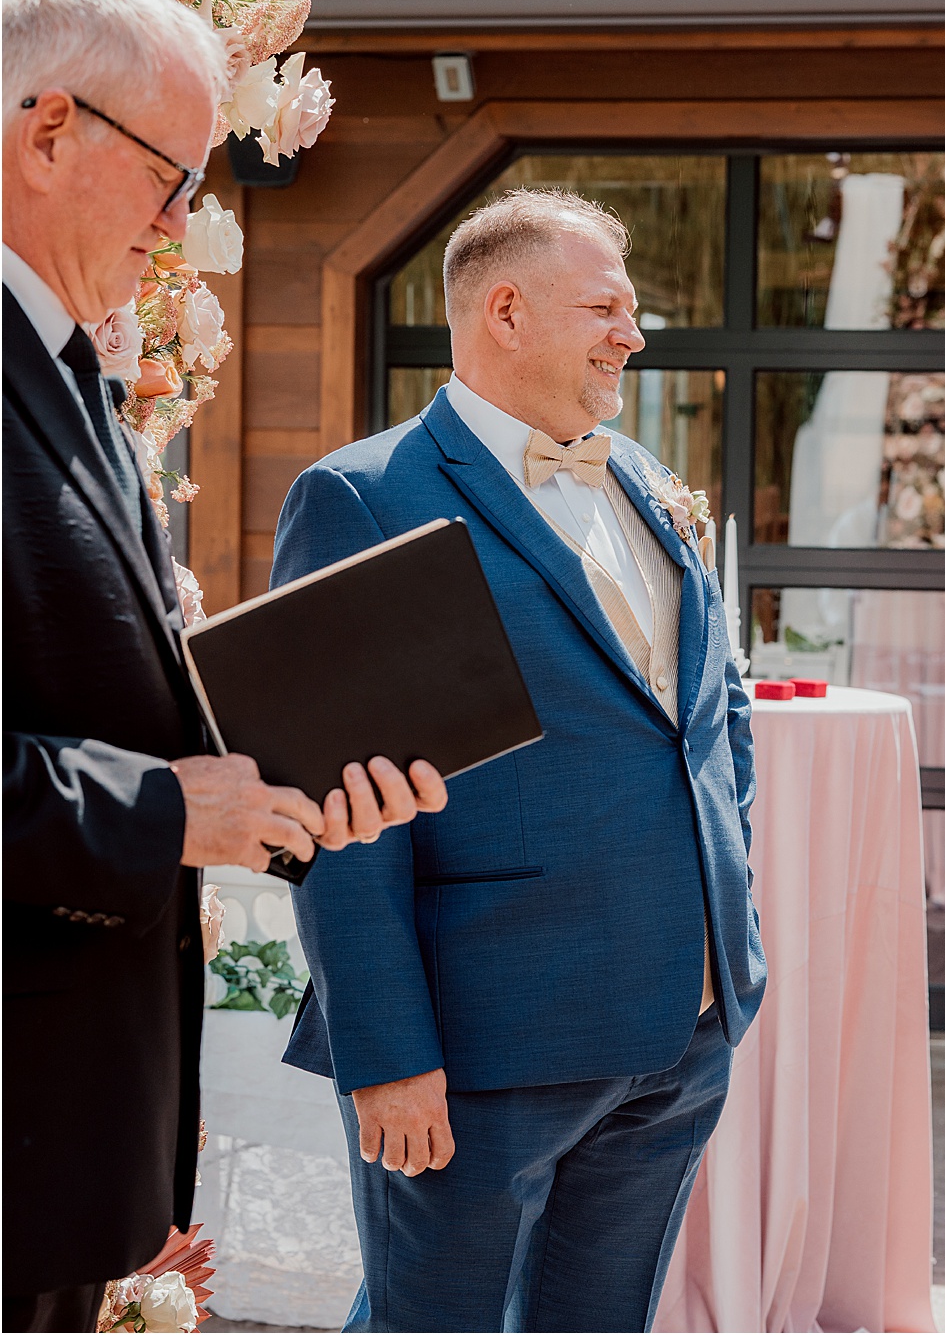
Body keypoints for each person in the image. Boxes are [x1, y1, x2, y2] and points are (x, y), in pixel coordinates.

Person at [3, 0, 439, 1333]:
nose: (184, 226)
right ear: (48, 129)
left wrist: (296, 789)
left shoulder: (68, 371)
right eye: (171, 177)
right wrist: (157, 812)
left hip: (61, 1155)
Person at [271, 189, 764, 1332]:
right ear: (503, 309)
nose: (631, 336)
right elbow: (341, 815)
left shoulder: (643, 476)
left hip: (679, 1031)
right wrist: (385, 1054)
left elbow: (712, 715)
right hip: (483, 1041)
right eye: (606, 307)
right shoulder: (364, 496)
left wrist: (725, 931)